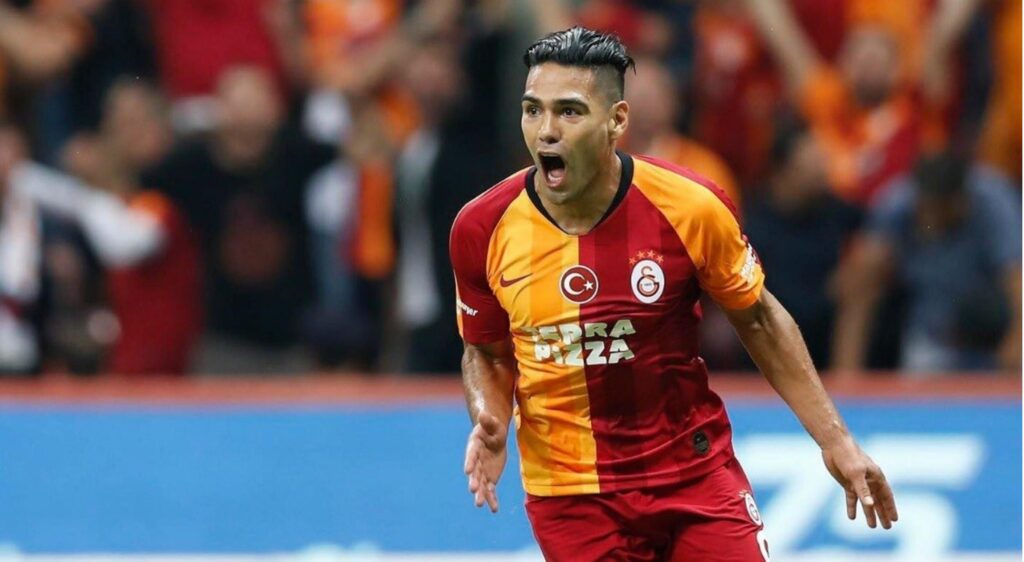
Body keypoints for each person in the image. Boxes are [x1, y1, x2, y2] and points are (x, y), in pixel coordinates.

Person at [450, 27, 898, 561]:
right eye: (533, 110)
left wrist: (836, 439)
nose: (546, 131)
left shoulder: (691, 206)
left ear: (617, 120)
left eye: (569, 112)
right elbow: (485, 351)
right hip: (572, 496)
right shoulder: (482, 228)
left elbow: (757, 319)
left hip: (694, 473)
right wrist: (490, 416)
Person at [7, 81, 201, 376]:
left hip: (169, 376)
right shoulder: (116, 202)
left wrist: (34, 180)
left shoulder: (165, 196)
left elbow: (123, 244)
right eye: (118, 125)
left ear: (161, 129)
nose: (126, 137)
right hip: (123, 370)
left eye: (137, 123)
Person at [832, 150, 1021, 374]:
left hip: (990, 331)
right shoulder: (897, 204)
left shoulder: (994, 202)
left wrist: (1016, 343)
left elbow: (1017, 278)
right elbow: (860, 284)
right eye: (927, 209)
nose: (931, 219)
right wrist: (846, 376)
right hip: (929, 333)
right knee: (867, 265)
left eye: (940, 211)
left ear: (960, 200)